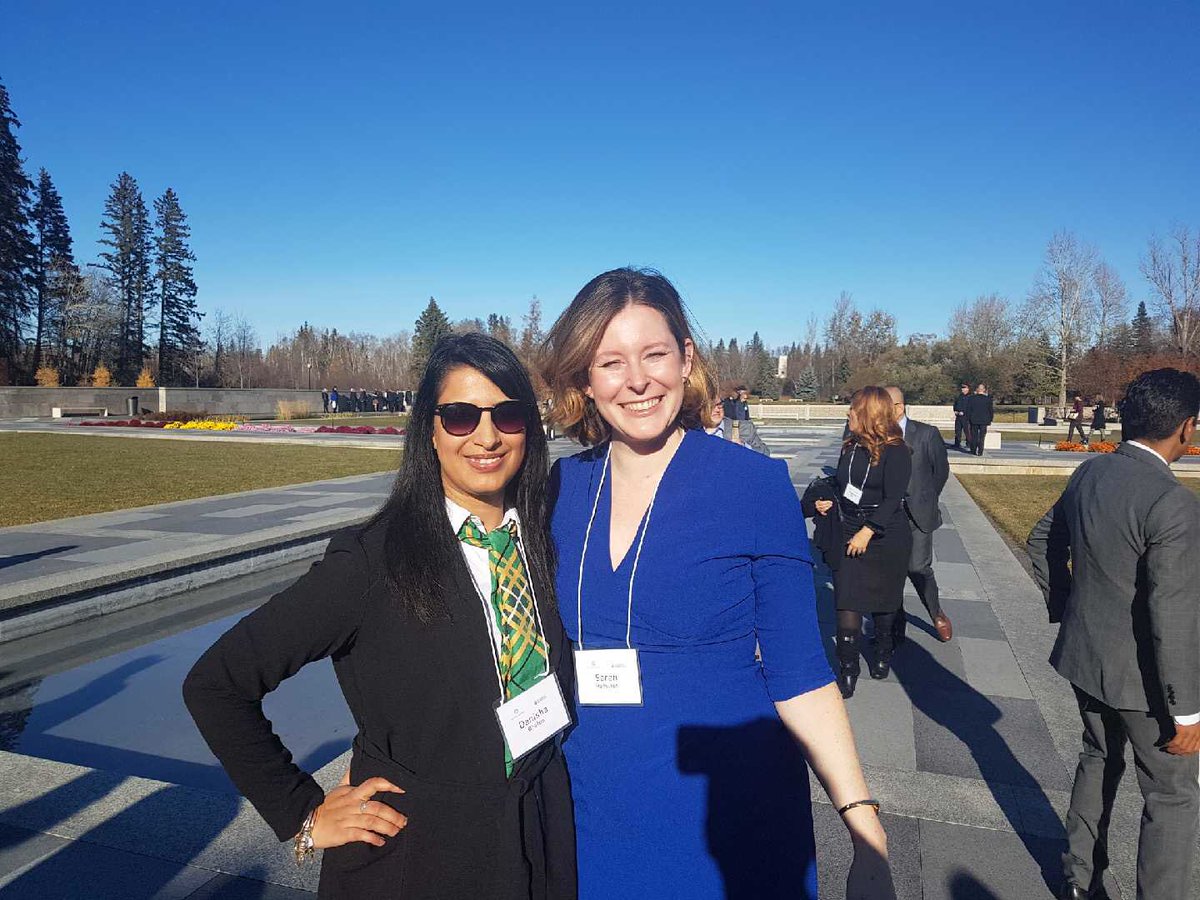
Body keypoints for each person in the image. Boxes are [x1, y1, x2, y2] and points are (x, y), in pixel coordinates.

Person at [541, 268, 894, 900]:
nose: (638, 380)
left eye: (654, 354)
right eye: (611, 362)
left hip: (730, 816)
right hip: (591, 809)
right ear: (584, 379)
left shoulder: (752, 485)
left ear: (687, 357)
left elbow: (799, 673)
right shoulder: (558, 492)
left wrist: (863, 825)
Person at [183, 334, 576, 899]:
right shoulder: (373, 560)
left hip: (535, 835)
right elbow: (217, 683)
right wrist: (303, 815)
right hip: (422, 857)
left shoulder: (541, 539)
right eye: (461, 417)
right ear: (430, 432)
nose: (487, 437)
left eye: (507, 415)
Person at [1027, 368, 1200, 900]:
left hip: (1087, 657)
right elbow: (1173, 615)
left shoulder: (1091, 472)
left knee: (1098, 758)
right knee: (1172, 797)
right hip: (1146, 683)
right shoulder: (1172, 503)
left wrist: (1069, 608)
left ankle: (1079, 881)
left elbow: (1042, 543)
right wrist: (1188, 712)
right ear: (1186, 428)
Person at [814, 387, 912, 699]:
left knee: (885, 600)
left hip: (885, 533)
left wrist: (868, 531)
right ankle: (847, 668)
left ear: (868, 415)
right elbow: (844, 486)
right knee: (847, 597)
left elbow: (893, 497)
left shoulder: (897, 451)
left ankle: (882, 650)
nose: (847, 414)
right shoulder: (851, 447)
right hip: (849, 526)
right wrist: (826, 501)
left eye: (853, 410)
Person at [885, 387, 952, 644]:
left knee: (918, 567)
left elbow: (940, 472)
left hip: (918, 515)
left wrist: (925, 497)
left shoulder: (926, 434)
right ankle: (895, 622)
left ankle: (936, 613)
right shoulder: (876, 434)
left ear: (898, 407)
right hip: (888, 516)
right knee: (891, 571)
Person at [965, 383, 993, 456]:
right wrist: (990, 419)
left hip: (974, 420)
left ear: (977, 389)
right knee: (981, 437)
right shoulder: (988, 399)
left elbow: (968, 409)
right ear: (984, 390)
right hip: (984, 420)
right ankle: (980, 451)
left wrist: (968, 418)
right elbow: (990, 410)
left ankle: (973, 450)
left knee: (974, 436)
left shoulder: (971, 398)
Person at [952, 383, 970, 450]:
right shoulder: (959, 396)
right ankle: (957, 443)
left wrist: (964, 412)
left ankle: (969, 443)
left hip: (966, 417)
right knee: (957, 431)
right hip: (958, 416)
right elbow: (955, 404)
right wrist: (955, 410)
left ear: (968, 389)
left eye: (964, 388)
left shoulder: (970, 397)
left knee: (967, 431)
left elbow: (970, 407)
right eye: (962, 388)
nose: (963, 389)